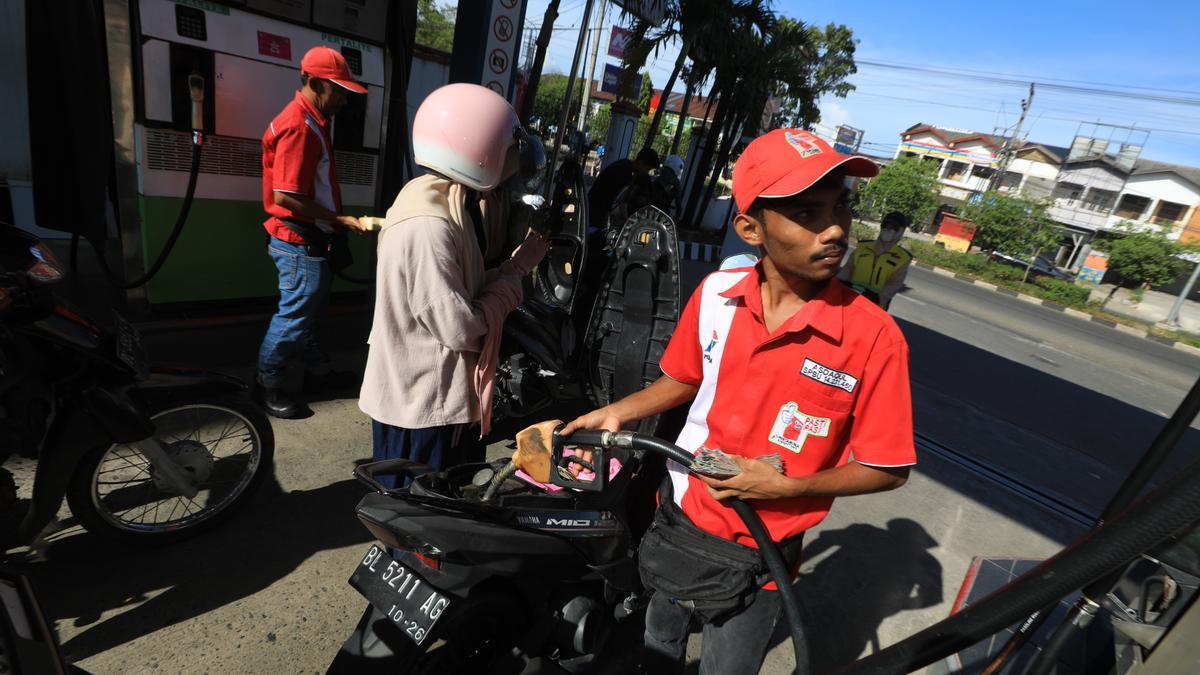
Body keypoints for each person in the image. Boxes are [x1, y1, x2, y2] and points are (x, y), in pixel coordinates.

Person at [563, 128, 916, 674]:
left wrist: (788, 488)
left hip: (764, 554)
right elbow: (684, 379)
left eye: (841, 206)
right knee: (658, 641)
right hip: (680, 516)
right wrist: (621, 411)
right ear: (751, 228)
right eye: (807, 212)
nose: (835, 229)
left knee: (727, 666)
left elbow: (886, 469)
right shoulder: (715, 298)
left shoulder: (874, 337)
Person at [358, 83, 548, 482]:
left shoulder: (446, 199)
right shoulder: (429, 224)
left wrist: (515, 264)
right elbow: (460, 327)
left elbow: (464, 287)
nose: (512, 166)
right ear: (480, 148)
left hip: (433, 400)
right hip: (424, 410)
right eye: (507, 152)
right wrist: (513, 278)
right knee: (423, 510)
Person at [255, 46, 369, 419]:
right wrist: (339, 220)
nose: (344, 100)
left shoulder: (312, 120)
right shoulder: (299, 126)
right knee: (295, 317)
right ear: (314, 82)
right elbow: (286, 196)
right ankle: (267, 385)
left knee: (309, 313)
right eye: (338, 91)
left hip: (309, 239)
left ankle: (315, 374)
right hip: (298, 241)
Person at [838, 211, 913, 311]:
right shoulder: (862, 247)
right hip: (850, 300)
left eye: (894, 227)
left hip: (875, 308)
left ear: (901, 232)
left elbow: (894, 283)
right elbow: (847, 269)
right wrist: (838, 283)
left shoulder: (902, 258)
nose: (888, 229)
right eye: (886, 225)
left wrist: (879, 297)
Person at [587, 147, 660, 230]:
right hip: (595, 214)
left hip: (596, 211)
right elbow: (622, 204)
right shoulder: (624, 172)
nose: (646, 172)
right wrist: (630, 224)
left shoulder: (624, 165)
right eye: (647, 169)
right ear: (641, 162)